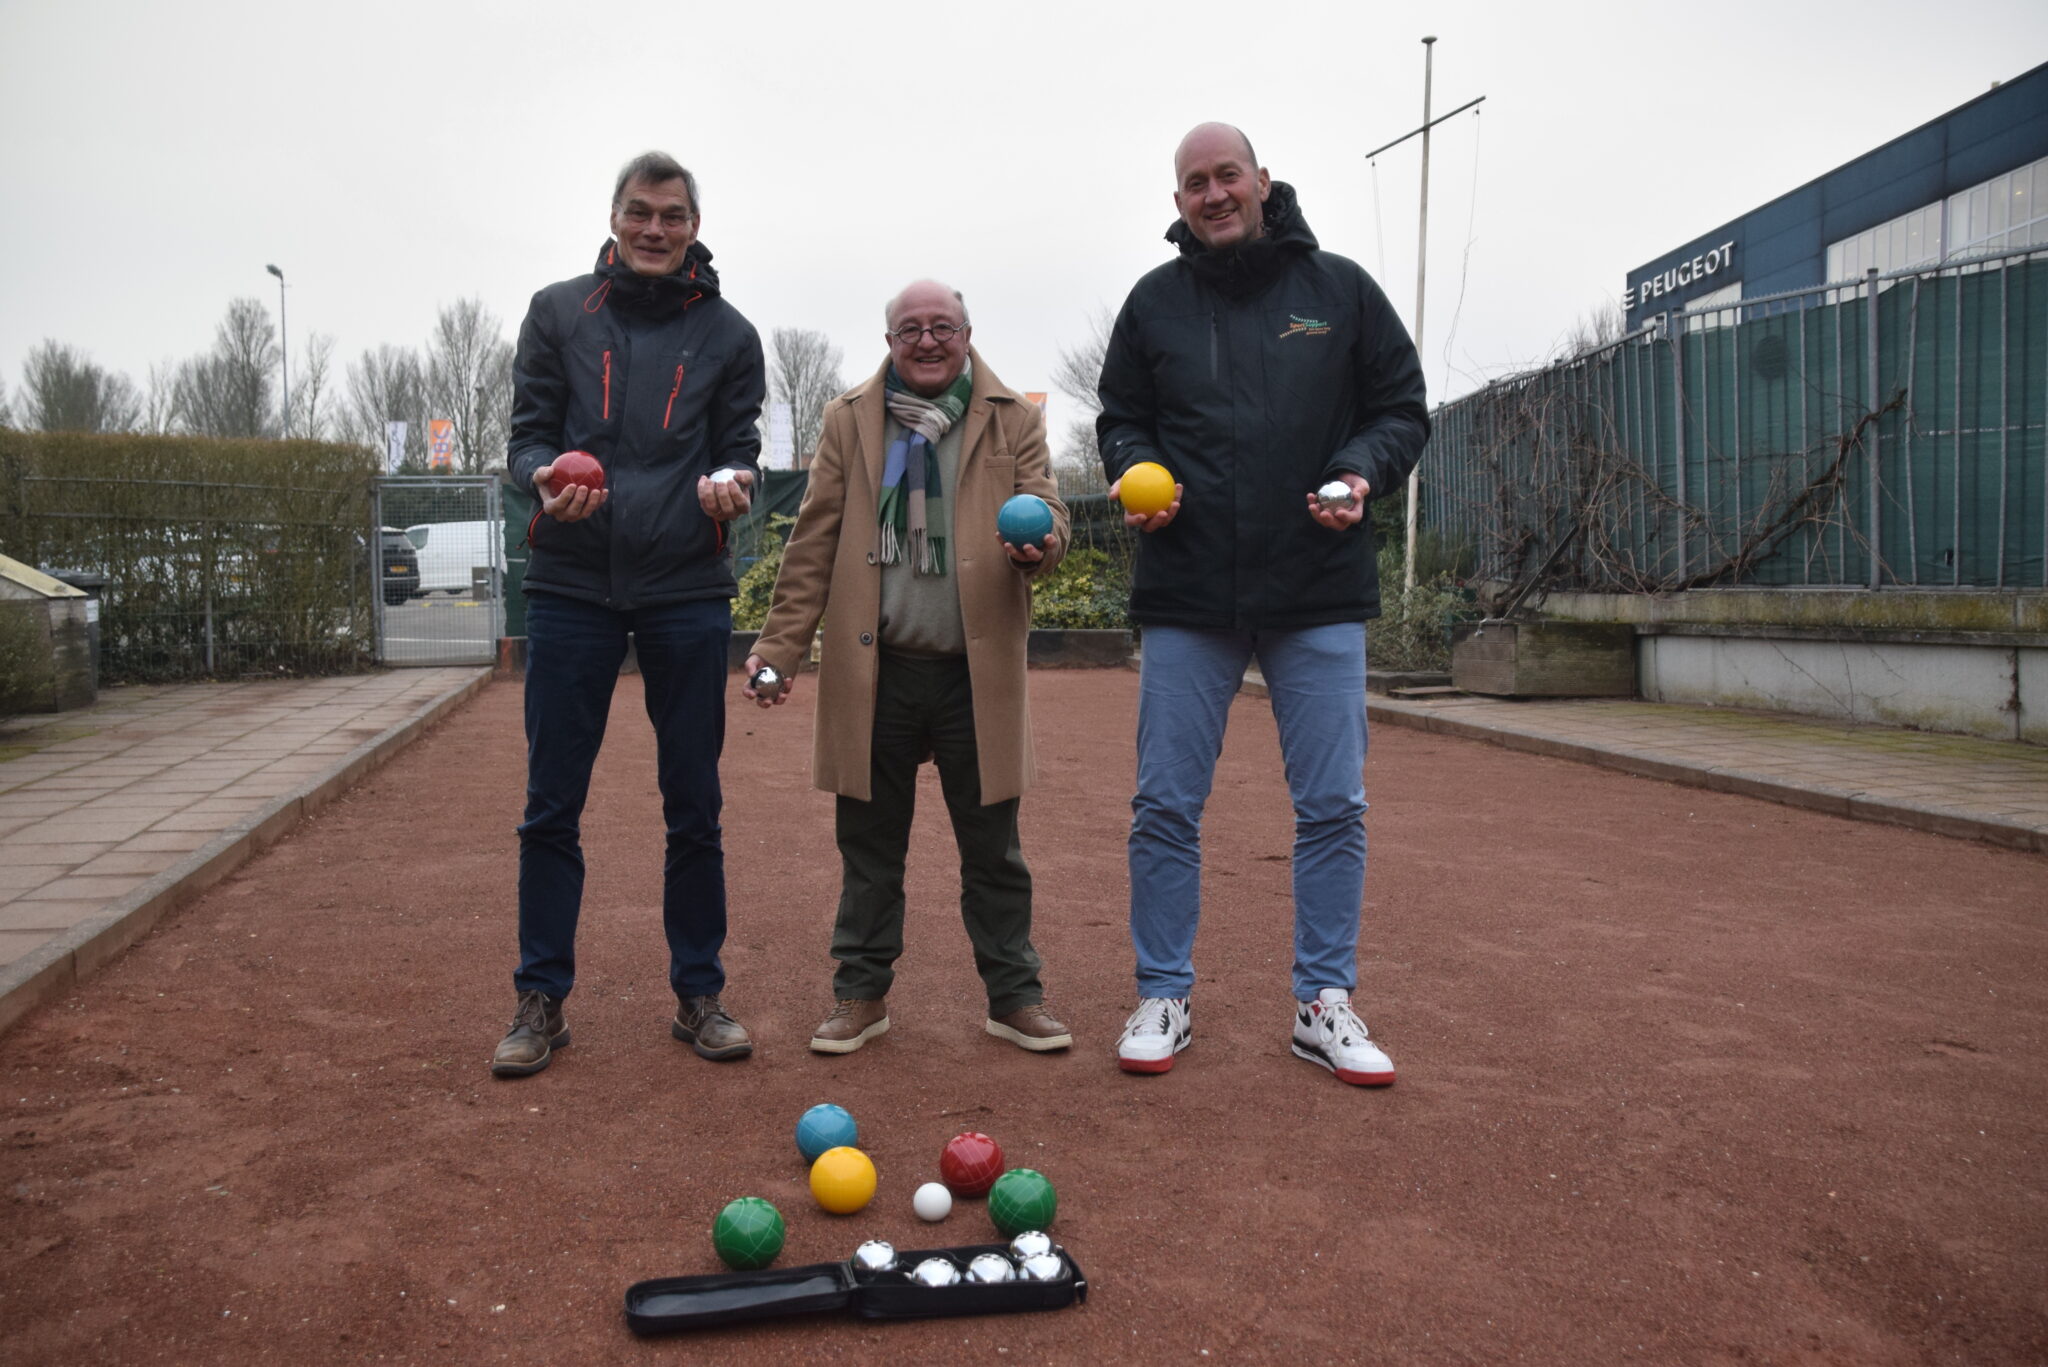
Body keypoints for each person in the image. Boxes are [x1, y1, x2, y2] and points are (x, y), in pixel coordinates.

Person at [1096, 123, 1430, 1087]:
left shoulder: (1340, 290)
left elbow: (1402, 408)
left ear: (1262, 182)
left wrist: (1359, 470)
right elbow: (1121, 417)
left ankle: (1324, 1002)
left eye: (1226, 175)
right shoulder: (1153, 304)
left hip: (1316, 583)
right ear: (1179, 202)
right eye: (1194, 183)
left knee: (1333, 804)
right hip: (1188, 587)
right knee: (1165, 803)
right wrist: (1132, 470)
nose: (1212, 194)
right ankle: (1164, 993)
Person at [745, 279, 1074, 1056]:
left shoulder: (1012, 417)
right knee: (868, 846)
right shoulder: (848, 419)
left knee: (994, 847)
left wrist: (1044, 544)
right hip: (877, 669)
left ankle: (1014, 996)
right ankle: (860, 995)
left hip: (973, 672)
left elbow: (1049, 509)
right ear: (890, 340)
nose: (927, 342)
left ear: (967, 332)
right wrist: (779, 649)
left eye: (942, 328)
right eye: (910, 330)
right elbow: (815, 541)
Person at [491, 151, 765, 1077]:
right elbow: (529, 435)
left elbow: (739, 451)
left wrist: (737, 487)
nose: (656, 230)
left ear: (694, 225)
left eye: (673, 216)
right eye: (640, 213)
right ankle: (541, 999)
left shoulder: (730, 334)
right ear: (614, 218)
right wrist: (541, 477)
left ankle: (700, 994)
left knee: (695, 804)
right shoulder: (558, 312)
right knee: (549, 806)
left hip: (687, 587)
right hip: (571, 584)